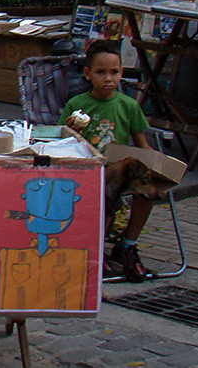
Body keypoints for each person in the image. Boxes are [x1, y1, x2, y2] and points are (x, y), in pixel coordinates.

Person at [60, 40, 162, 282]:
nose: (108, 78)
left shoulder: (128, 106)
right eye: (100, 72)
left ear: (121, 73)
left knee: (149, 191)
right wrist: (70, 130)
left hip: (120, 172)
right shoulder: (77, 105)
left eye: (114, 72)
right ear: (88, 74)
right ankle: (96, 254)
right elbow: (60, 142)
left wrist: (160, 166)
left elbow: (142, 146)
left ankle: (127, 244)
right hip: (87, 172)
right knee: (105, 196)